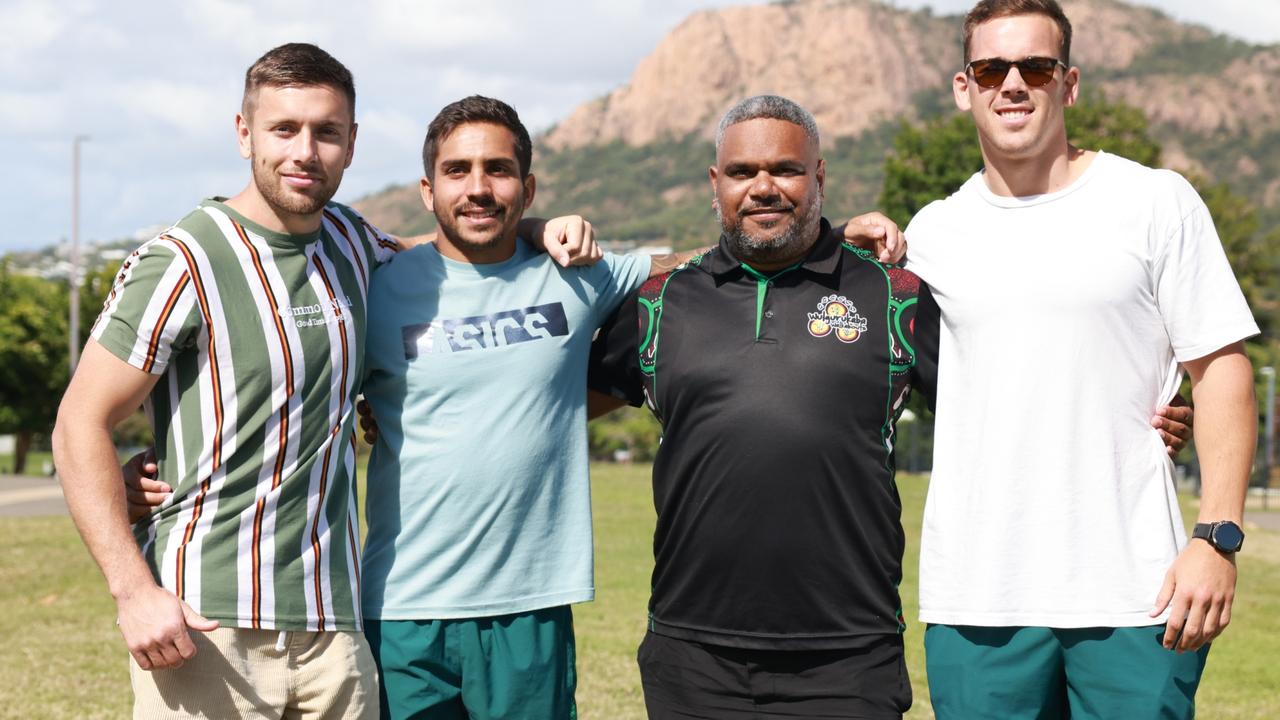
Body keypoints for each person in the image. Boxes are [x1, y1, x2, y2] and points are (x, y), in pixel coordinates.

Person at [53, 45, 596, 719]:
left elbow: (461, 247)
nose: (305, 151)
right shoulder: (183, 260)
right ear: (244, 132)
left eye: (326, 132)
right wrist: (133, 592)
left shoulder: (352, 241)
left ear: (351, 143)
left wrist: (538, 230)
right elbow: (80, 422)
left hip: (335, 626)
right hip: (209, 625)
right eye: (284, 128)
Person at [903, 1, 1259, 717]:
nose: (1012, 83)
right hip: (979, 594)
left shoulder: (1156, 201)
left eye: (1035, 66)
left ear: (1068, 84)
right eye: (990, 68)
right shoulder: (932, 232)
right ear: (962, 87)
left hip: (1134, 588)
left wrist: (1216, 539)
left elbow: (1220, 370)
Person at [587, 94, 941, 718]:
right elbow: (543, 405)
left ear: (820, 178)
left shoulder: (896, 295)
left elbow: (998, 406)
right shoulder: (658, 302)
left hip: (848, 655)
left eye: (786, 169)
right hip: (690, 652)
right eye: (743, 172)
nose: (764, 188)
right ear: (715, 183)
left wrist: (1158, 412)